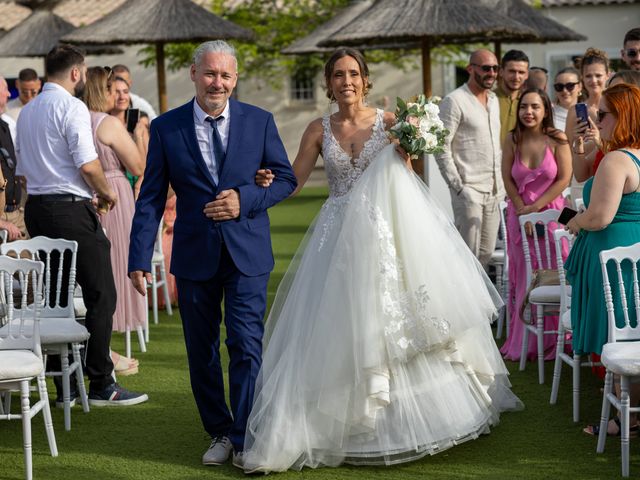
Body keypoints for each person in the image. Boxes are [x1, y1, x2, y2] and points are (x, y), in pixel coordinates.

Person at [243, 47, 522, 474]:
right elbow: (293, 181)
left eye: (353, 73)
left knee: (396, 323)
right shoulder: (318, 130)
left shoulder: (391, 124)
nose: (347, 81)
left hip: (387, 236)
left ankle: (424, 419)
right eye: (338, 74)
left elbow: (406, 181)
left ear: (366, 80)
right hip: (337, 240)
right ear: (329, 82)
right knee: (343, 325)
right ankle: (344, 419)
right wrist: (265, 183)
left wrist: (414, 145)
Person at [127, 40, 297, 469]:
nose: (217, 82)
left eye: (225, 75)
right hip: (194, 253)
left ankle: (244, 437)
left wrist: (245, 199)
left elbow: (284, 180)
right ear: (193, 73)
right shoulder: (167, 128)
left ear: (234, 79)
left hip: (247, 254)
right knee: (200, 351)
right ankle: (219, 430)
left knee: (245, 344)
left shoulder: (260, 122)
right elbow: (149, 198)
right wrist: (138, 256)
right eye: (209, 73)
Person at [15, 44, 148, 406]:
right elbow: (88, 165)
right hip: (70, 210)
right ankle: (102, 382)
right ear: (76, 73)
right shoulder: (71, 106)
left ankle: (66, 389)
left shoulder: (27, 112)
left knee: (56, 299)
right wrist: (109, 195)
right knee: (101, 293)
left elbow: (23, 173)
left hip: (37, 210)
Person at [564, 83, 640, 435]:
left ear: (622, 116)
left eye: (603, 114)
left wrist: (574, 222)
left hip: (614, 262)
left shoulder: (617, 160)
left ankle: (626, 417)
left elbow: (599, 218)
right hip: (632, 257)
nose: (596, 118)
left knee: (622, 337)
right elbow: (583, 176)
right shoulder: (626, 155)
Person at [499, 88, 572, 361]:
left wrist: (536, 207)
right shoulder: (512, 139)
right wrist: (521, 209)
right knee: (523, 276)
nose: (528, 112)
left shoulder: (557, 138)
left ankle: (561, 338)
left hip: (552, 215)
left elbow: (564, 179)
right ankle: (525, 342)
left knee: (556, 271)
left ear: (545, 110)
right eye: (524, 107)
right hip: (519, 216)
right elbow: (506, 178)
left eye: (535, 107)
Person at [83, 66, 146, 374]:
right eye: (112, 89)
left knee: (95, 275)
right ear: (102, 91)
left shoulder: (78, 120)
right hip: (114, 194)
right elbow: (137, 163)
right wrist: (135, 137)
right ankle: (107, 349)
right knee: (119, 266)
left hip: (86, 197)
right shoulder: (107, 123)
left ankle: (101, 347)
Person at [435, 49, 503, 268]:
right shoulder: (454, 101)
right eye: (485, 68)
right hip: (469, 189)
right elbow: (440, 147)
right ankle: (461, 302)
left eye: (495, 68)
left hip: (494, 191)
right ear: (470, 69)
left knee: (486, 254)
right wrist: (458, 188)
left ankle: (480, 302)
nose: (491, 72)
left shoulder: (494, 100)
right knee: (467, 256)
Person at [566, 48, 610, 185]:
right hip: (582, 177)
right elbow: (565, 148)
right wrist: (574, 137)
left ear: (607, 75)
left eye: (598, 75)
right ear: (582, 78)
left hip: (610, 173)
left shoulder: (615, 110)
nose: (593, 80)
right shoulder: (574, 111)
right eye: (588, 76)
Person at [0, 75, 25, 241]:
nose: (9, 94)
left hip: (16, 214)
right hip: (2, 221)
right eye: (4, 89)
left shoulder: (7, 125)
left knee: (30, 266)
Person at [496, 50, 530, 144]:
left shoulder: (530, 103)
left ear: (527, 75)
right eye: (512, 71)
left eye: (521, 72)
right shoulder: (488, 99)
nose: (516, 77)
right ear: (501, 72)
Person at [552, 67, 582, 132]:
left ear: (580, 86)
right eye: (559, 87)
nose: (564, 91)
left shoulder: (588, 113)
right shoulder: (548, 116)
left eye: (570, 86)